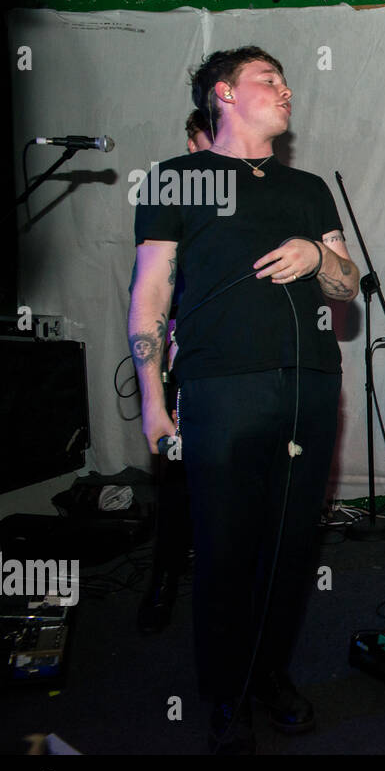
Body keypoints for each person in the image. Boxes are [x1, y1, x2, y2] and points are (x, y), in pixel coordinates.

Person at [128, 47, 359, 753]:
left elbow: (348, 284)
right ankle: (225, 693)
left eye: (286, 81)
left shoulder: (310, 188)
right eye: (269, 80)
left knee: (291, 549)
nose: (286, 90)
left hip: (309, 386)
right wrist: (151, 402)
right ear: (225, 93)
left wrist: (319, 259)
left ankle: (270, 676)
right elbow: (150, 295)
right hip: (221, 387)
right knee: (226, 551)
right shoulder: (178, 180)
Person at [135, 109, 213, 633]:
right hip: (186, 358)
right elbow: (154, 292)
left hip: (235, 362)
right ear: (193, 144)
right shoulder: (175, 198)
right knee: (179, 477)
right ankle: (164, 576)